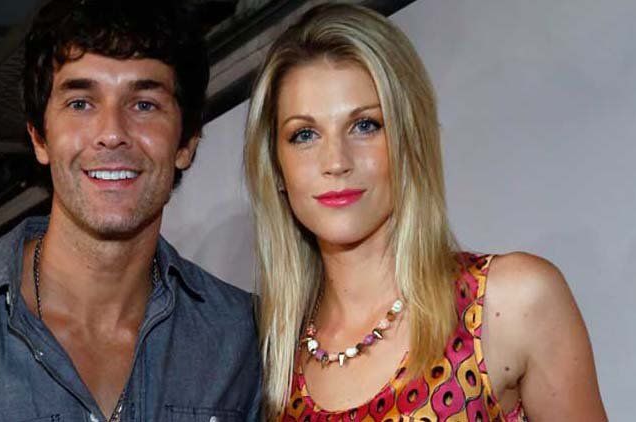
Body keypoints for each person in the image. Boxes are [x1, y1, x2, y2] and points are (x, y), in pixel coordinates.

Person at [0, 1, 260, 420]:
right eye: (81, 103)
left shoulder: (244, 339)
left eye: (144, 104)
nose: (111, 133)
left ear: (187, 142)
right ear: (39, 138)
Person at [244, 4, 606, 421]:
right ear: (277, 168)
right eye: (304, 135)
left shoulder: (508, 304)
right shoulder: (269, 360)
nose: (336, 161)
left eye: (365, 125)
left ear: (410, 139)